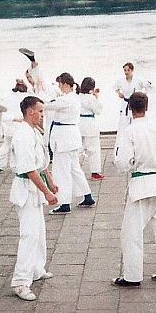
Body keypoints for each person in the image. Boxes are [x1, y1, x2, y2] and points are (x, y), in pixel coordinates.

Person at [112, 92, 156, 287]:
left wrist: (133, 164)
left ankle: (132, 276)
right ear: (147, 107)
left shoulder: (129, 131)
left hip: (141, 186)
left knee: (131, 233)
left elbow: (123, 163)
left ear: (130, 108)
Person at [9, 95, 57, 301]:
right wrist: (47, 192)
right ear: (30, 112)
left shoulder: (34, 131)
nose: (43, 115)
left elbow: (42, 163)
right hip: (25, 189)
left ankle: (36, 268)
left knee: (39, 232)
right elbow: (29, 169)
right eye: (40, 111)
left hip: (34, 188)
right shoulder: (22, 135)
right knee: (29, 235)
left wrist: (51, 181)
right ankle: (20, 282)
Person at [44, 73, 95, 214]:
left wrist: (35, 103)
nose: (59, 87)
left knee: (61, 172)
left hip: (64, 139)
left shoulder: (66, 99)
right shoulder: (73, 98)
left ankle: (64, 203)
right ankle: (87, 196)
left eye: (60, 84)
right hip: (70, 138)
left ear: (66, 84)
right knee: (74, 169)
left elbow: (47, 106)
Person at [0, 79, 30, 173]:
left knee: (6, 145)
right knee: (18, 146)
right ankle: (16, 166)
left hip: (9, 124)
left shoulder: (8, 96)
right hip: (19, 124)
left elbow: (2, 110)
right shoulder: (26, 97)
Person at [77, 77, 105, 180]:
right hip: (90, 125)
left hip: (79, 123)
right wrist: (96, 97)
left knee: (78, 149)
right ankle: (95, 172)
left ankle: (73, 168)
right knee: (93, 150)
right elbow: (98, 110)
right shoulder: (91, 98)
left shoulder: (77, 97)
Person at [114, 62, 153, 133]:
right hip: (125, 104)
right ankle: (123, 138)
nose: (126, 72)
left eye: (128, 70)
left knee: (136, 121)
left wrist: (143, 95)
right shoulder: (121, 80)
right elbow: (115, 87)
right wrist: (119, 93)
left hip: (136, 104)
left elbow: (149, 87)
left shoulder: (138, 80)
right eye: (125, 70)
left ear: (132, 70)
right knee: (123, 122)